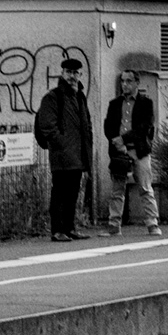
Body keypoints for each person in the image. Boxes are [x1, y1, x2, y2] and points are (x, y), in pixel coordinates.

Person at [35, 57, 94, 239]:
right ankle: (58, 230)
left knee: (72, 193)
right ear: (62, 73)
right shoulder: (53, 97)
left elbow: (86, 125)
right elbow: (47, 126)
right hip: (62, 154)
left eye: (75, 73)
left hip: (77, 154)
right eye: (68, 72)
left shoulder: (80, 97)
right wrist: (62, 144)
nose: (72, 76)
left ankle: (69, 228)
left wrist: (85, 151)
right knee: (60, 193)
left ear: (80, 75)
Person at [103, 69, 161, 237]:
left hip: (139, 150)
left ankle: (152, 223)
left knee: (145, 187)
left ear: (137, 83)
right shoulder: (114, 104)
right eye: (122, 81)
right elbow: (108, 126)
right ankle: (114, 224)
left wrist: (124, 139)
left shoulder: (146, 103)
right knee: (117, 189)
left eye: (129, 81)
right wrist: (117, 142)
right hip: (119, 151)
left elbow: (145, 127)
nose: (125, 84)